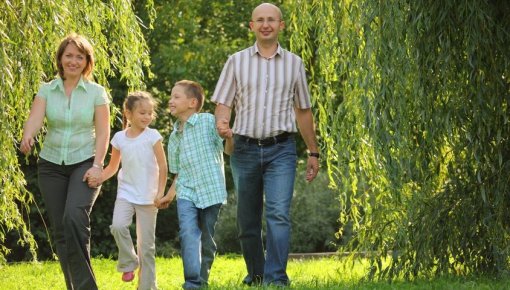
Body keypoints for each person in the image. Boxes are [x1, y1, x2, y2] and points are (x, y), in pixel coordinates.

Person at [211, 3, 320, 287]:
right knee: (247, 220)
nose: (266, 24)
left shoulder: (295, 63)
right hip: (244, 149)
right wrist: (222, 124)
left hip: (281, 149)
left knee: (278, 214)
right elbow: (224, 103)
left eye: (271, 19)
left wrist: (313, 151)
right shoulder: (236, 61)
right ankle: (257, 273)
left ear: (281, 25)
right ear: (251, 26)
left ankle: (276, 278)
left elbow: (303, 110)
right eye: (260, 20)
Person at [20, 33, 110, 290]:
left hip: (85, 162)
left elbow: (103, 132)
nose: (73, 61)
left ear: (86, 61)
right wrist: (28, 136)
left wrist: (98, 165)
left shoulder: (96, 92)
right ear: (60, 59)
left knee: (74, 218)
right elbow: (35, 119)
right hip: (51, 165)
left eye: (79, 56)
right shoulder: (47, 89)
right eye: (68, 55)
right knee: (61, 229)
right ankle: (73, 286)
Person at [88, 91, 167, 290]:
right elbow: (113, 167)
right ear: (128, 113)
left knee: (146, 247)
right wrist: (99, 177)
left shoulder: (153, 136)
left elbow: (163, 166)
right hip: (126, 192)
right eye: (142, 113)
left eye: (150, 113)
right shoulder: (119, 138)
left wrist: (160, 192)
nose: (147, 117)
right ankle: (129, 262)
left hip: (149, 197)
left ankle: (147, 286)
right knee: (118, 226)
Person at [156, 80, 228, 289]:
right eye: (171, 96)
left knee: (206, 239)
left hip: (211, 191)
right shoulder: (174, 137)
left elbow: (225, 143)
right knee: (188, 233)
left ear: (192, 102)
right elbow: (179, 173)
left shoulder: (207, 121)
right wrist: (170, 195)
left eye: (176, 97)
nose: (171, 100)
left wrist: (229, 135)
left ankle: (202, 279)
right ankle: (192, 282)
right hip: (187, 192)